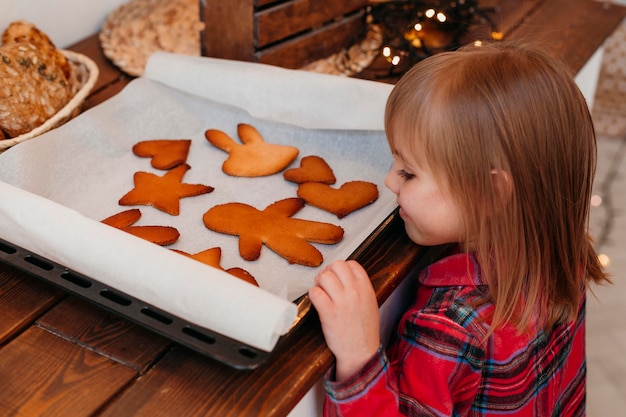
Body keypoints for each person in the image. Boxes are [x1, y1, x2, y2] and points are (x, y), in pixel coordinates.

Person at [308, 41, 610, 416]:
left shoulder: (448, 327)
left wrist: (358, 357)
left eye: (408, 172)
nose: (389, 181)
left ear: (488, 192)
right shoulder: (565, 253)